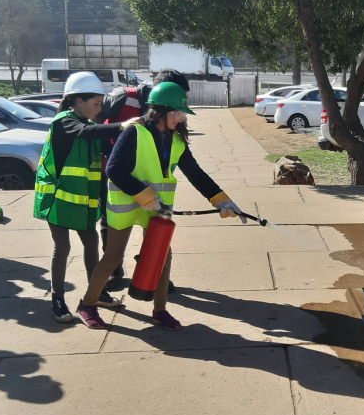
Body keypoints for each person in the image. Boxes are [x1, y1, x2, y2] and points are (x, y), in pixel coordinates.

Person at [76, 82, 246, 330]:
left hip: (157, 209)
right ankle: (88, 304)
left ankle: (160, 310)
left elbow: (195, 173)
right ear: (161, 111)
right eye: (177, 113)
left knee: (163, 257)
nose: (181, 119)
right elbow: (113, 169)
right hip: (126, 205)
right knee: (113, 258)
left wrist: (221, 200)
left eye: (182, 114)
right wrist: (145, 197)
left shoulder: (175, 140)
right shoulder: (135, 132)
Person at [33, 71, 141, 323]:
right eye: (95, 103)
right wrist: (125, 125)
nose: (99, 108)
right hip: (57, 200)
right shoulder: (63, 123)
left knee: (91, 244)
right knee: (63, 248)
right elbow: (83, 132)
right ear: (78, 101)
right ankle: (57, 300)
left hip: (82, 203)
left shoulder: (91, 127)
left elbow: (111, 151)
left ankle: (97, 292)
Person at [94, 69, 190, 291]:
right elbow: (96, 118)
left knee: (156, 240)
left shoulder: (170, 120)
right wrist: (103, 150)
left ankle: (149, 272)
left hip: (147, 184)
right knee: (112, 224)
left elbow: (187, 162)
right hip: (115, 173)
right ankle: (114, 270)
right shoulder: (122, 97)